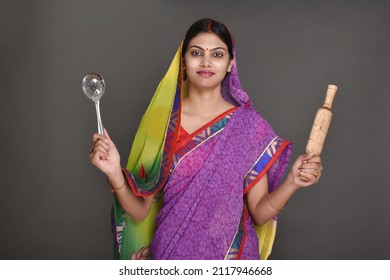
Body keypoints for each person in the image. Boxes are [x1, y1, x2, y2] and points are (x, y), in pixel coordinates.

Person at [89, 18, 323, 260]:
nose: (206, 62)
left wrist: (293, 182)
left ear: (231, 63)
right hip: (172, 256)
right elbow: (139, 212)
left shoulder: (249, 126)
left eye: (218, 54)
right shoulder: (161, 123)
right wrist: (115, 172)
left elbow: (260, 213)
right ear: (183, 61)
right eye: (196, 52)